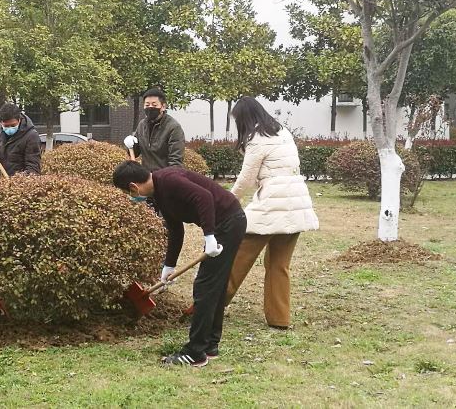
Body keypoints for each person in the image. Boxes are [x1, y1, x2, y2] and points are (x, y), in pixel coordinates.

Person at [113, 161, 246, 367]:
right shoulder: (159, 193)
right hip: (226, 223)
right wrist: (169, 265)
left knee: (205, 286)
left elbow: (205, 197)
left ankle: (195, 352)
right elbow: (175, 229)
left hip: (228, 222)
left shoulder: (169, 180)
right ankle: (209, 345)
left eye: (128, 193)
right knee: (215, 287)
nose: (132, 198)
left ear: (133, 187)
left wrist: (210, 236)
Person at [223, 96, 319, 329]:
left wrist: (225, 202)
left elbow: (246, 178)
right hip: (297, 204)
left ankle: (209, 303)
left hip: (272, 204)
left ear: (245, 118)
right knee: (279, 264)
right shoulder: (282, 132)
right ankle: (280, 319)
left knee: (237, 257)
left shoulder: (257, 138)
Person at [123, 87, 185, 171]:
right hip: (147, 178)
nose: (150, 107)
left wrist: (166, 178)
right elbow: (135, 153)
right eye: (147, 105)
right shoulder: (142, 125)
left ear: (163, 107)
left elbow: (176, 162)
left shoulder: (173, 127)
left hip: (164, 178)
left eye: (154, 105)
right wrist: (131, 144)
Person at [0, 102, 41, 176]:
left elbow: (33, 168)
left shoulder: (31, 135)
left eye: (13, 125)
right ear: (1, 122)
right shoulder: (0, 129)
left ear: (19, 120)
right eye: (6, 126)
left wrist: (18, 179)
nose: (9, 128)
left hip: (18, 183)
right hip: (1, 180)